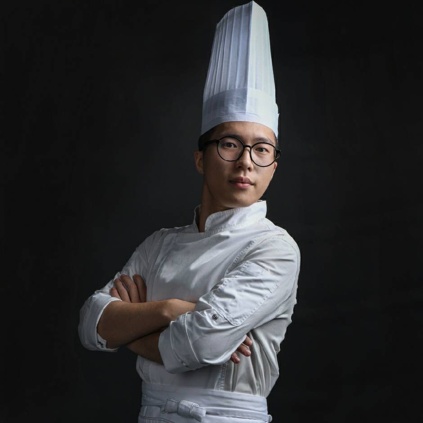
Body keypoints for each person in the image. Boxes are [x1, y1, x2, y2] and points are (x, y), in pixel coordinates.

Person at [78, 2, 301, 422]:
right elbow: (91, 323)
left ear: (273, 166)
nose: (246, 162)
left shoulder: (275, 249)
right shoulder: (160, 244)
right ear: (201, 158)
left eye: (262, 149)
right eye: (230, 144)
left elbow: (200, 343)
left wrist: (128, 332)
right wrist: (171, 311)